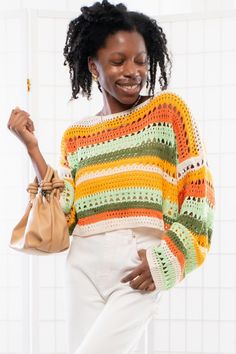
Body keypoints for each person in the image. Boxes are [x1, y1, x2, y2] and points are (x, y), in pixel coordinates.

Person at [7, 1, 215, 353]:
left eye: (140, 60)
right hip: (83, 263)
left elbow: (199, 195)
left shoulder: (168, 112)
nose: (132, 71)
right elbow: (67, 210)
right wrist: (32, 149)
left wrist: (170, 257)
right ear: (94, 66)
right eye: (118, 62)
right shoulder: (76, 136)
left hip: (137, 261)